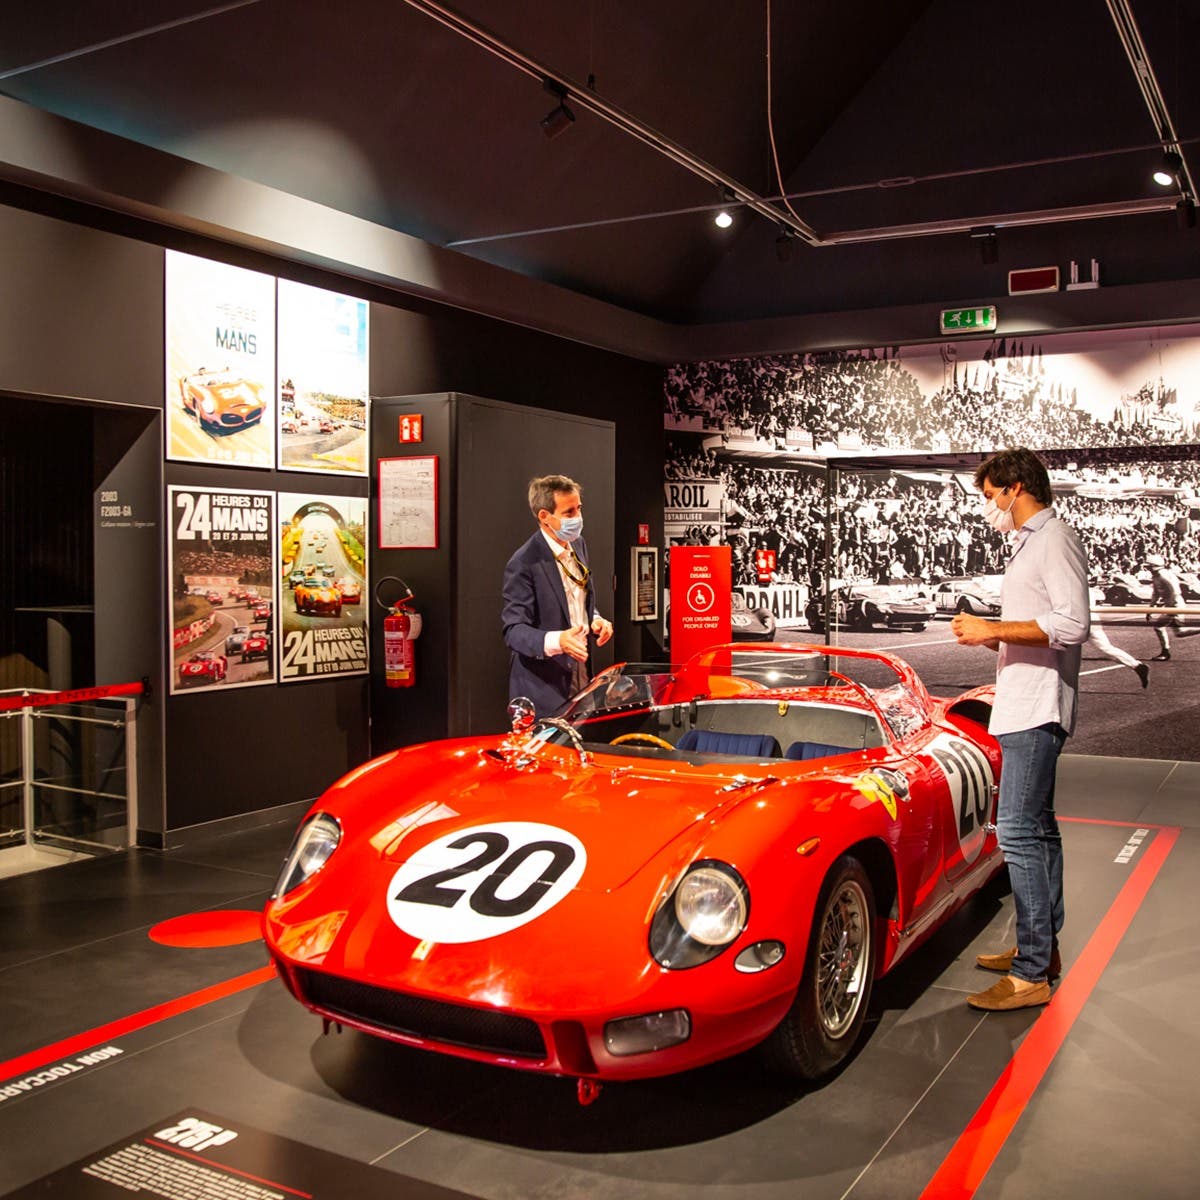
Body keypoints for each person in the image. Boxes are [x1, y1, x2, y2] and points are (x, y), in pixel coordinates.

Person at [951, 447, 1090, 1012]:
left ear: (1014, 487)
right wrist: (996, 636)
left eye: (990, 497)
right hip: (1026, 704)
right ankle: (1042, 948)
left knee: (1016, 833)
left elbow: (1073, 622)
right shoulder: (1034, 542)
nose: (990, 508)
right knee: (1038, 828)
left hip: (1036, 709)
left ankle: (1033, 968)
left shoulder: (1053, 540)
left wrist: (994, 627)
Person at [502, 474, 613, 717]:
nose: (578, 518)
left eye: (579, 509)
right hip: (543, 688)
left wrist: (594, 619)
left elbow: (577, 599)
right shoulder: (524, 562)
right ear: (544, 516)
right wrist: (558, 641)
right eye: (569, 513)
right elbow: (514, 631)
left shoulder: (579, 544)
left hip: (581, 676)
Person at [1145, 554, 1185, 661]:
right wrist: (1150, 609)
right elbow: (1155, 593)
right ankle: (1165, 652)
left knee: (1159, 627)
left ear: (1154, 566)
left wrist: (1171, 606)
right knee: (1179, 633)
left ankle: (1165, 652)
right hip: (1171, 604)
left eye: (1149, 566)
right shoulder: (1156, 576)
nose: (1148, 569)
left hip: (1175, 604)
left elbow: (1174, 591)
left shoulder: (1164, 576)